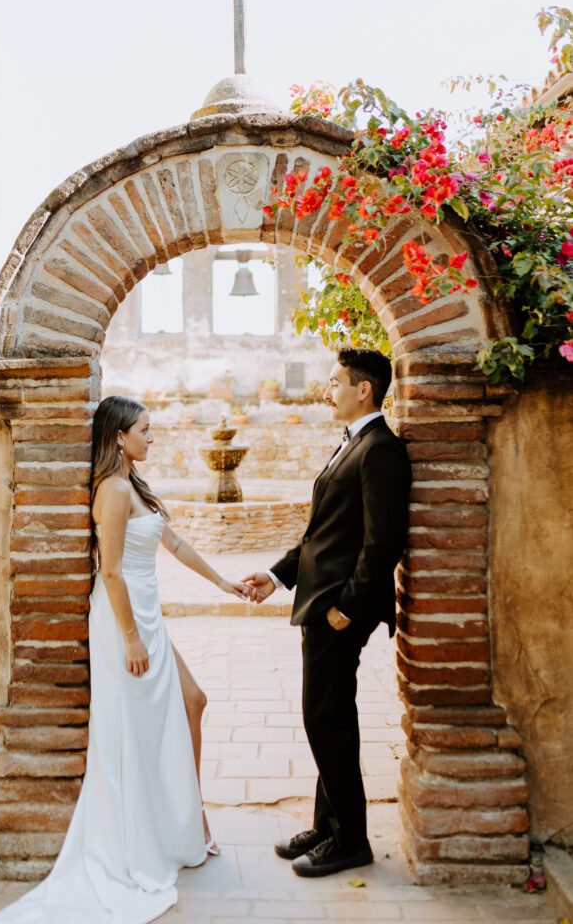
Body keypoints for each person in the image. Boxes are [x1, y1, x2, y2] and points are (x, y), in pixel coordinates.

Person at [0, 396, 247, 924]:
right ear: (119, 436)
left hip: (147, 617)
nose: (152, 438)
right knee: (138, 728)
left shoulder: (133, 485)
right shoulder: (112, 489)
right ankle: (171, 828)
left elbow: (171, 541)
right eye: (145, 431)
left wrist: (224, 581)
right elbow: (109, 572)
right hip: (123, 622)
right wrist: (130, 638)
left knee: (192, 702)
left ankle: (186, 819)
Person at [243, 349, 411, 879]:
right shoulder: (353, 444)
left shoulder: (381, 449)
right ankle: (328, 824)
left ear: (364, 389)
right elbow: (323, 535)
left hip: (339, 610)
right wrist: (275, 576)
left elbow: (383, 543)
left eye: (335, 381)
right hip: (320, 602)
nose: (326, 389)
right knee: (329, 717)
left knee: (326, 717)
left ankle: (352, 842)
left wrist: (347, 610)